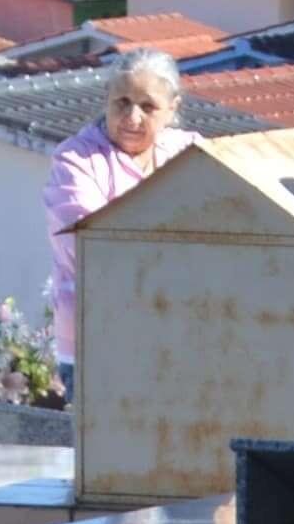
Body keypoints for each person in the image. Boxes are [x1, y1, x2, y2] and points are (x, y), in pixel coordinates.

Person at [43, 52, 191, 364]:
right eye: (122, 102)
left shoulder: (188, 152)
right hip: (97, 338)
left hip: (175, 334)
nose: (132, 118)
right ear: (106, 99)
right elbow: (90, 243)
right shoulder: (76, 160)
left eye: (148, 107)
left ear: (172, 109)